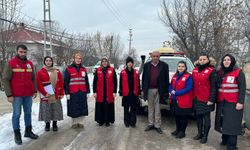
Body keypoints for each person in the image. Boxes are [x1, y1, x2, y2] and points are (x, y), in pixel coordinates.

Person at [2, 44, 39, 145]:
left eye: (24, 52)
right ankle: (17, 134)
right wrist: (9, 95)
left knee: (28, 113)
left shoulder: (30, 64)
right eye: (21, 52)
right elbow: (5, 79)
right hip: (16, 95)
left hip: (28, 95)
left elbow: (33, 78)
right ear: (17, 51)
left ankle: (28, 131)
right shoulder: (11, 63)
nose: (23, 54)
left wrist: (35, 90)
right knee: (17, 114)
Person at [215, 54, 246, 150]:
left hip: (233, 102)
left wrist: (240, 102)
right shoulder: (220, 72)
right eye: (224, 60)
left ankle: (232, 145)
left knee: (232, 123)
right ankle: (224, 139)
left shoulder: (238, 72)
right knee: (222, 121)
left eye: (228, 60)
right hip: (221, 101)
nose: (226, 61)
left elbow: (242, 88)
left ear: (232, 61)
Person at [142, 51, 169, 134]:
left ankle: (157, 125)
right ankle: (150, 124)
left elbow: (166, 79)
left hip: (159, 90)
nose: (155, 58)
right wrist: (144, 90)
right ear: (151, 56)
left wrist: (165, 92)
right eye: (154, 56)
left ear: (159, 56)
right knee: (150, 108)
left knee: (157, 108)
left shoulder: (164, 65)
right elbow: (144, 79)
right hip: (149, 89)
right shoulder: (146, 65)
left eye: (157, 56)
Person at [192, 53, 217, 144]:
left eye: (204, 59)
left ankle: (205, 136)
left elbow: (214, 87)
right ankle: (200, 133)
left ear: (208, 60)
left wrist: (211, 99)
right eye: (200, 59)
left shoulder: (212, 71)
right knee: (198, 117)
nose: (202, 61)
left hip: (207, 99)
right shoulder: (195, 70)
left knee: (206, 118)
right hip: (196, 98)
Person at [36, 56, 64, 131]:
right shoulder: (40, 72)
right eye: (47, 60)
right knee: (46, 110)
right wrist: (44, 93)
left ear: (52, 62)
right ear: (44, 62)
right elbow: (38, 84)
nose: (48, 62)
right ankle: (47, 125)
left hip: (56, 93)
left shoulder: (57, 71)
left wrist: (61, 93)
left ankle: (55, 124)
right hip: (45, 95)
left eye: (50, 61)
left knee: (55, 109)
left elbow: (61, 82)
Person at [64, 52, 90, 128]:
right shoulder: (69, 68)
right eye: (77, 58)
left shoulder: (83, 69)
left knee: (82, 106)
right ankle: (74, 122)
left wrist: (88, 91)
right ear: (74, 59)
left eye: (80, 58)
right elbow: (66, 82)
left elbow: (86, 81)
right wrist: (67, 93)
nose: (78, 60)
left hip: (82, 91)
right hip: (73, 92)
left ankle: (81, 122)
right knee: (73, 107)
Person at [169, 61, 193, 139]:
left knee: (183, 117)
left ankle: (182, 132)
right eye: (179, 66)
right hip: (174, 99)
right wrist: (170, 90)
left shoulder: (188, 76)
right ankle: (177, 130)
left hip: (184, 100)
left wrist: (176, 93)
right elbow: (170, 85)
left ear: (185, 68)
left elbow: (188, 88)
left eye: (182, 66)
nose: (180, 68)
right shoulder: (175, 76)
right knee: (177, 115)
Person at [93, 57, 117, 127]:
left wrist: (114, 91)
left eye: (105, 61)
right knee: (100, 106)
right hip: (100, 92)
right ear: (101, 63)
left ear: (107, 62)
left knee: (108, 106)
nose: (104, 62)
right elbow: (95, 82)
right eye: (103, 61)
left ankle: (107, 121)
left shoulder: (112, 70)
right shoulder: (98, 70)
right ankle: (101, 121)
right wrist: (94, 92)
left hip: (109, 92)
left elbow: (115, 82)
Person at [119, 56, 141, 128]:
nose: (130, 64)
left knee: (133, 109)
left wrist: (139, 92)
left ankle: (133, 122)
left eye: (131, 62)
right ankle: (127, 122)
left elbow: (138, 83)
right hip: (126, 93)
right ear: (126, 63)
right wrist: (121, 92)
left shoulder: (136, 72)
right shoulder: (123, 72)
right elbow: (120, 83)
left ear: (132, 63)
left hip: (134, 93)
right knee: (126, 108)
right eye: (128, 62)